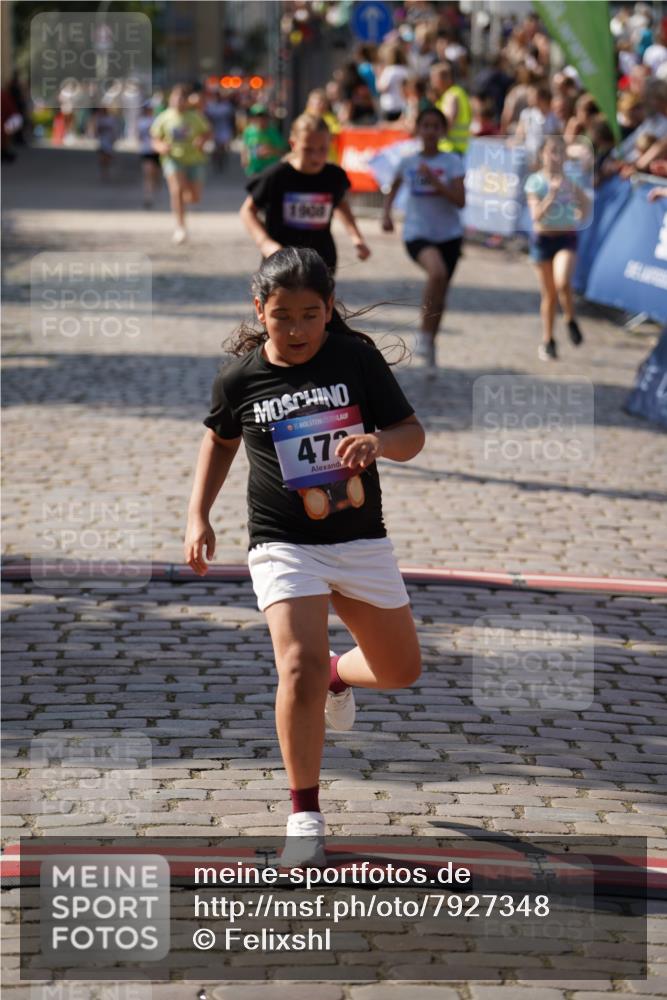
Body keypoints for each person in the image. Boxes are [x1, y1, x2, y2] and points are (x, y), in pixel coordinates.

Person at [184, 247, 424, 865]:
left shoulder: (355, 359)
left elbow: (412, 435)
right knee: (298, 667)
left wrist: (377, 442)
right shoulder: (240, 379)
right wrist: (198, 515)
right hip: (282, 542)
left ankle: (340, 675)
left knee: (399, 670)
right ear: (259, 309)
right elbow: (220, 440)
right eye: (282, 316)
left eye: (310, 315)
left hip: (360, 539)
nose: (296, 330)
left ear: (329, 307)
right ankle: (304, 818)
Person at [381, 106, 465, 368]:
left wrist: (436, 183)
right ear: (418, 129)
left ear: (443, 131)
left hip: (449, 235)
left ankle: (430, 343)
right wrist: (386, 214)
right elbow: (393, 187)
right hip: (417, 233)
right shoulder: (408, 161)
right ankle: (425, 335)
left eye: (435, 126)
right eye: (425, 126)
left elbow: (460, 201)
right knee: (437, 273)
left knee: (441, 294)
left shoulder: (452, 162)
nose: (430, 131)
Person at [240, 114, 371, 273]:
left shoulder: (334, 176)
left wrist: (357, 238)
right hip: (281, 264)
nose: (316, 156)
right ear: (293, 144)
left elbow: (340, 204)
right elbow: (247, 211)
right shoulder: (276, 176)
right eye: (308, 149)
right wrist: (265, 243)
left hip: (321, 262)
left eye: (322, 149)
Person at [524, 135, 589, 361]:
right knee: (549, 294)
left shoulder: (571, 180)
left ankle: (569, 318)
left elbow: (585, 202)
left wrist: (580, 215)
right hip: (543, 241)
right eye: (552, 151)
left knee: (562, 282)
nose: (556, 157)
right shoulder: (535, 182)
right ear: (542, 154)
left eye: (560, 152)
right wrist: (551, 194)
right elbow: (536, 215)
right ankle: (548, 340)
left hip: (566, 239)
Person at [150, 84, 212, 244]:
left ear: (186, 101)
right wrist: (161, 147)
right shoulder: (164, 117)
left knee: (194, 197)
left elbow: (208, 132)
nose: (178, 101)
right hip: (173, 159)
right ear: (170, 99)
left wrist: (202, 140)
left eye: (181, 98)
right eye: (175, 97)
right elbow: (154, 139)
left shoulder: (195, 116)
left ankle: (184, 200)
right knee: (176, 191)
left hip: (195, 160)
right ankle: (180, 227)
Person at [429, 61, 472, 154]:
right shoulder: (459, 92)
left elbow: (447, 122)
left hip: (449, 149)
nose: (432, 82)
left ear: (445, 78)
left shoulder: (450, 96)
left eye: (433, 78)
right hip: (458, 149)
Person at [240, 104, 285, 177]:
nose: (260, 119)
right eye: (257, 116)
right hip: (254, 169)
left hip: (269, 169)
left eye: (263, 116)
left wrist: (271, 150)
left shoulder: (273, 132)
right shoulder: (248, 131)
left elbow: (283, 151)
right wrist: (244, 158)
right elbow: (246, 147)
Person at [137, 102, 160, 208]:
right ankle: (148, 196)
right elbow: (139, 136)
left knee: (155, 174)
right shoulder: (141, 121)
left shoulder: (157, 120)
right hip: (146, 151)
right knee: (148, 174)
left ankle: (154, 191)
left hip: (157, 151)